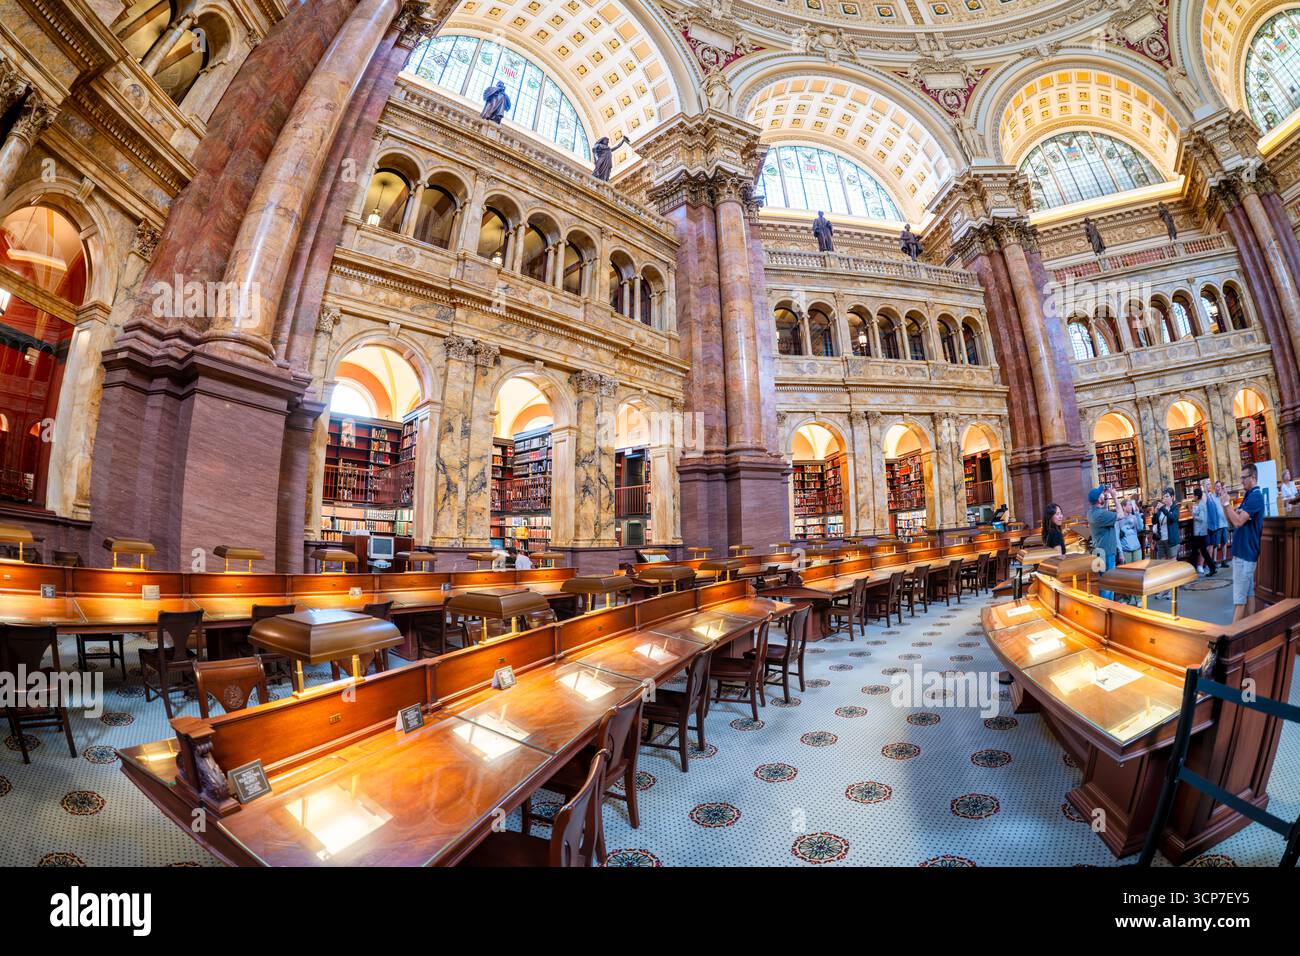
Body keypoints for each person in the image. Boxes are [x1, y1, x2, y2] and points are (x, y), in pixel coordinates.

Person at [1221, 464, 1266, 622]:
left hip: (1246, 554)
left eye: (1244, 477)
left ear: (1253, 477)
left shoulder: (1255, 496)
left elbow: (1239, 521)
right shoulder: (1249, 495)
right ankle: (1251, 628)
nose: (1241, 481)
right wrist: (1225, 506)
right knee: (1248, 594)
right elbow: (1233, 521)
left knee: (1239, 600)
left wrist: (1227, 505)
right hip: (1243, 552)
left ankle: (1231, 641)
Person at [1088, 485, 1119, 600]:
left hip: (1099, 551)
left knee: (1103, 581)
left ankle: (1106, 608)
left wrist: (1106, 500)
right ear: (1098, 499)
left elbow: (1104, 513)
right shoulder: (1100, 514)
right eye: (1101, 494)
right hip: (1107, 553)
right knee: (1108, 584)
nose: (1103, 494)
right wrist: (1115, 497)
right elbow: (1120, 515)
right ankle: (1107, 608)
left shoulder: (1092, 512)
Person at [1190, 486, 1217, 577]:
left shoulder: (1201, 504)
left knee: (1196, 550)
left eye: (1194, 495)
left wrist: (1194, 516)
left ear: (1197, 496)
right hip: (1199, 532)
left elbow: (1202, 518)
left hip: (1200, 532)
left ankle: (1193, 569)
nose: (1193, 497)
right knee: (1201, 551)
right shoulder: (1199, 504)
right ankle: (1212, 568)